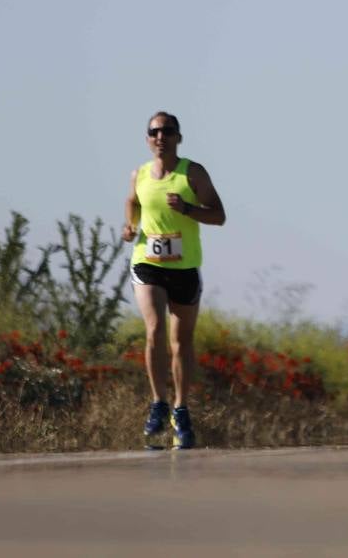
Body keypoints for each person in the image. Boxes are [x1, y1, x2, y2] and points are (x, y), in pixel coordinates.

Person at [122, 111, 226, 449]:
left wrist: (186, 209)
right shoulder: (138, 174)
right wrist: (129, 225)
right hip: (147, 262)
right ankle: (158, 402)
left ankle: (180, 409)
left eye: (167, 131)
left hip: (184, 266)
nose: (160, 137)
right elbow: (132, 202)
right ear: (147, 138)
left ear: (179, 137)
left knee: (181, 342)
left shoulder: (192, 173)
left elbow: (218, 215)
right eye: (154, 131)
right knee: (154, 329)